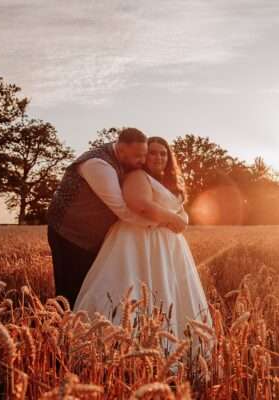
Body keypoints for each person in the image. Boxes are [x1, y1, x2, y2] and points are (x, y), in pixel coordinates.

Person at [73, 136, 215, 360]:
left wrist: (181, 219)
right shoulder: (137, 176)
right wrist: (174, 220)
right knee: (133, 291)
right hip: (140, 241)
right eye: (153, 152)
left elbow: (176, 210)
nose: (159, 157)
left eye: (164, 153)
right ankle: (124, 349)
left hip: (167, 246)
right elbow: (140, 204)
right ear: (144, 156)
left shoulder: (168, 182)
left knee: (167, 292)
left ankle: (171, 349)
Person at [46, 128, 186, 308]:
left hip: (95, 234)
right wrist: (165, 222)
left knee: (92, 284)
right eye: (138, 156)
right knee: (71, 289)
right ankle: (59, 328)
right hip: (69, 232)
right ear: (120, 149)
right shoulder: (98, 165)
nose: (142, 161)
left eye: (144, 155)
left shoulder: (128, 164)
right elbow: (122, 209)